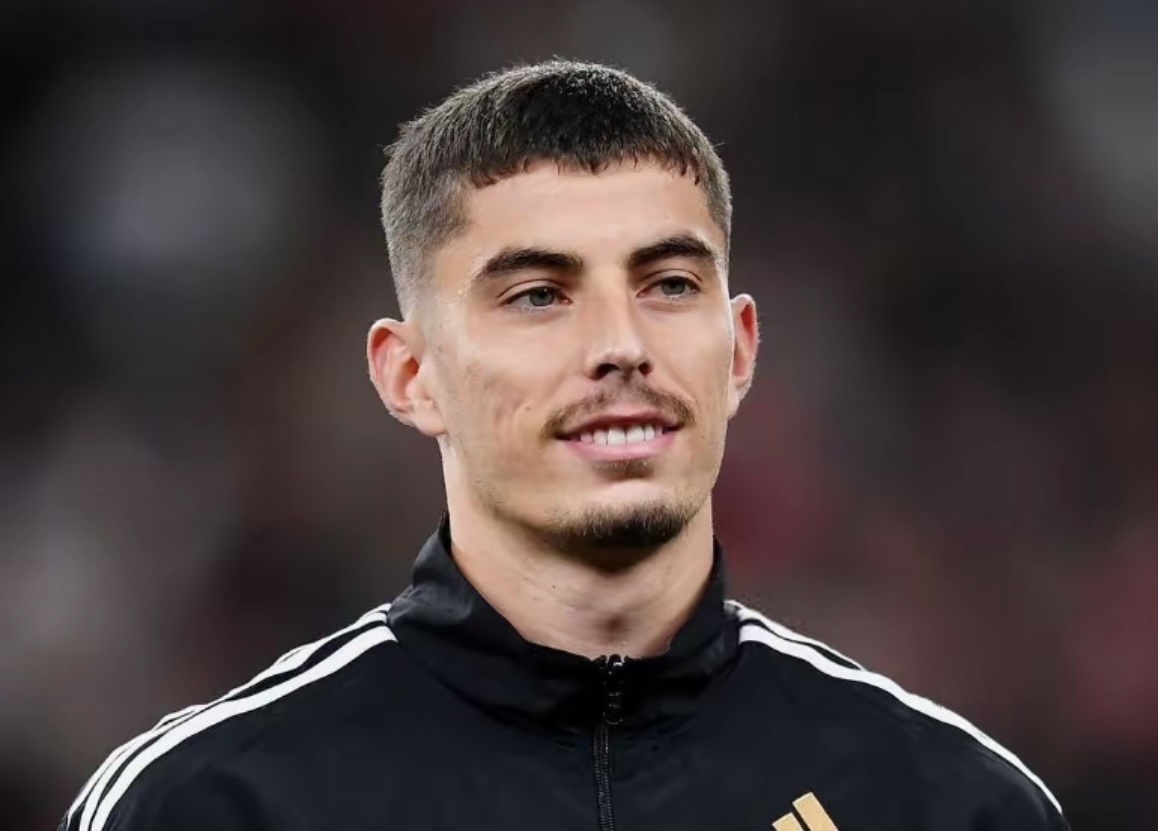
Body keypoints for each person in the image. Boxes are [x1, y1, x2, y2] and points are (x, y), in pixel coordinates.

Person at [60, 60, 1069, 831]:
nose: (621, 345)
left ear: (739, 351)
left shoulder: (947, 802)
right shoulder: (211, 805)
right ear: (409, 375)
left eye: (669, 284)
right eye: (539, 295)